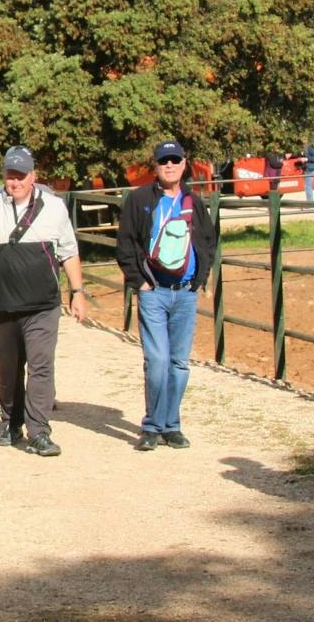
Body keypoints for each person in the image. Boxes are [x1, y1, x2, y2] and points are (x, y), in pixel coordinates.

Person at [0, 146, 87, 456]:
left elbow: (68, 251)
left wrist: (78, 292)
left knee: (41, 366)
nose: (14, 181)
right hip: (2, 304)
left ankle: (39, 430)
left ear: (33, 176)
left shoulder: (54, 208)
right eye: (10, 175)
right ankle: (11, 421)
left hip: (43, 305)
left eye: (21, 175)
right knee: (9, 368)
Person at [115, 140, 219, 451]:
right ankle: (152, 425)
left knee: (178, 363)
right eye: (164, 161)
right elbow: (125, 242)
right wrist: (139, 282)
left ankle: (171, 425)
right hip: (154, 292)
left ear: (184, 164)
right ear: (156, 166)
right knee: (157, 360)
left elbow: (209, 241)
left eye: (175, 160)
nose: (170, 166)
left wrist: (199, 280)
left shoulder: (194, 202)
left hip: (185, 293)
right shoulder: (140, 200)